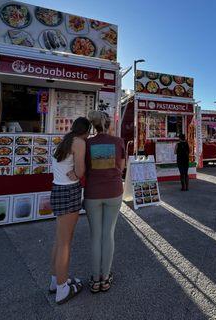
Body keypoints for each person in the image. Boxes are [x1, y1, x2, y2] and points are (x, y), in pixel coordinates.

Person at [49, 117, 91, 304]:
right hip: (69, 191)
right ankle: (62, 290)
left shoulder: (65, 140)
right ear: (86, 131)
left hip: (57, 189)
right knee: (66, 242)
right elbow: (80, 171)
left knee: (60, 240)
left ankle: (56, 280)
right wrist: (77, 173)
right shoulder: (79, 142)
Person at [84, 110, 125, 293]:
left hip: (93, 193)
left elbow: (83, 168)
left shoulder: (87, 143)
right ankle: (106, 278)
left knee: (95, 235)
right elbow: (121, 167)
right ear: (108, 125)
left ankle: (94, 279)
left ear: (94, 125)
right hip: (114, 191)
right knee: (108, 234)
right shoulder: (118, 142)